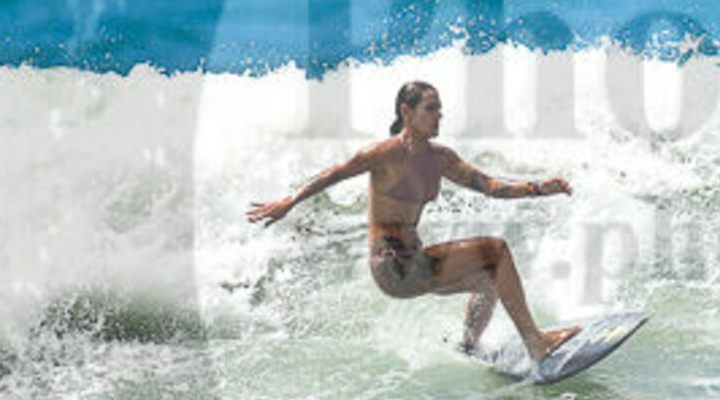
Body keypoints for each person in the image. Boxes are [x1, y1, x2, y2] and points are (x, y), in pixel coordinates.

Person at [247, 81, 580, 363]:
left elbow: (491, 187)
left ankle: (468, 347)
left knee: (490, 279)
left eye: (440, 110)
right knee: (497, 251)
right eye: (430, 109)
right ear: (406, 113)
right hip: (394, 268)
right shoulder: (385, 154)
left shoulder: (441, 158)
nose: (439, 116)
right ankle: (536, 343)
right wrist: (288, 202)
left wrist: (539, 188)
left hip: (416, 264)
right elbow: (333, 174)